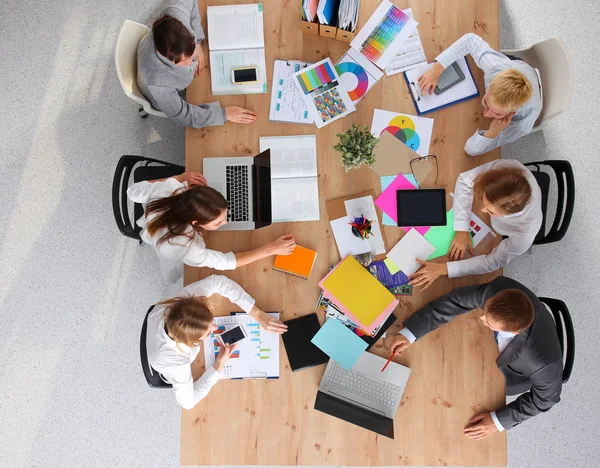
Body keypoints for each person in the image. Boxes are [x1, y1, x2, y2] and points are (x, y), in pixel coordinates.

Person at [385, 276, 563, 440]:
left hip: (514, 375)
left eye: (489, 322)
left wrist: (497, 422)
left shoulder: (542, 364)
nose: (481, 318)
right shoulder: (500, 290)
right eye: (485, 312)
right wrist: (409, 334)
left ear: (514, 332)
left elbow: (547, 399)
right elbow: (456, 300)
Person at [146, 274, 287, 409]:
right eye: (208, 332)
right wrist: (219, 364)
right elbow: (188, 403)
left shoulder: (181, 305)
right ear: (191, 341)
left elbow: (218, 282)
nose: (215, 328)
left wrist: (256, 313)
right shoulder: (177, 363)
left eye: (211, 322)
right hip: (165, 367)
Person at [127, 172, 296, 283]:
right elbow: (226, 262)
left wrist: (180, 177)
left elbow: (133, 191)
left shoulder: (171, 187)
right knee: (174, 273)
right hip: (165, 247)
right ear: (195, 223)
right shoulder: (185, 248)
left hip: (157, 222)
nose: (225, 223)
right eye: (218, 223)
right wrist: (271, 249)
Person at [410, 159, 542, 290]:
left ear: (507, 214)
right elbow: (464, 180)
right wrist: (462, 229)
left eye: (490, 211)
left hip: (502, 233)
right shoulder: (509, 170)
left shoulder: (524, 235)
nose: (482, 210)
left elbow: (493, 262)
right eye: (484, 201)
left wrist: (445, 269)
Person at [137, 0, 257, 127]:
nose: (191, 62)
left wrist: (198, 43)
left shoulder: (176, 13)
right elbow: (183, 116)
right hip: (157, 94)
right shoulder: (159, 83)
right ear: (161, 53)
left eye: (190, 53)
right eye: (183, 62)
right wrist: (224, 114)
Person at [417, 33, 541, 156]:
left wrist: (493, 131)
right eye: (486, 102)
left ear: (511, 113)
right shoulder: (495, 67)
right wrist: (437, 68)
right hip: (514, 66)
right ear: (492, 82)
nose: (486, 114)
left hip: (531, 82)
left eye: (497, 113)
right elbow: (470, 40)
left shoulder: (521, 125)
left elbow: (471, 150)